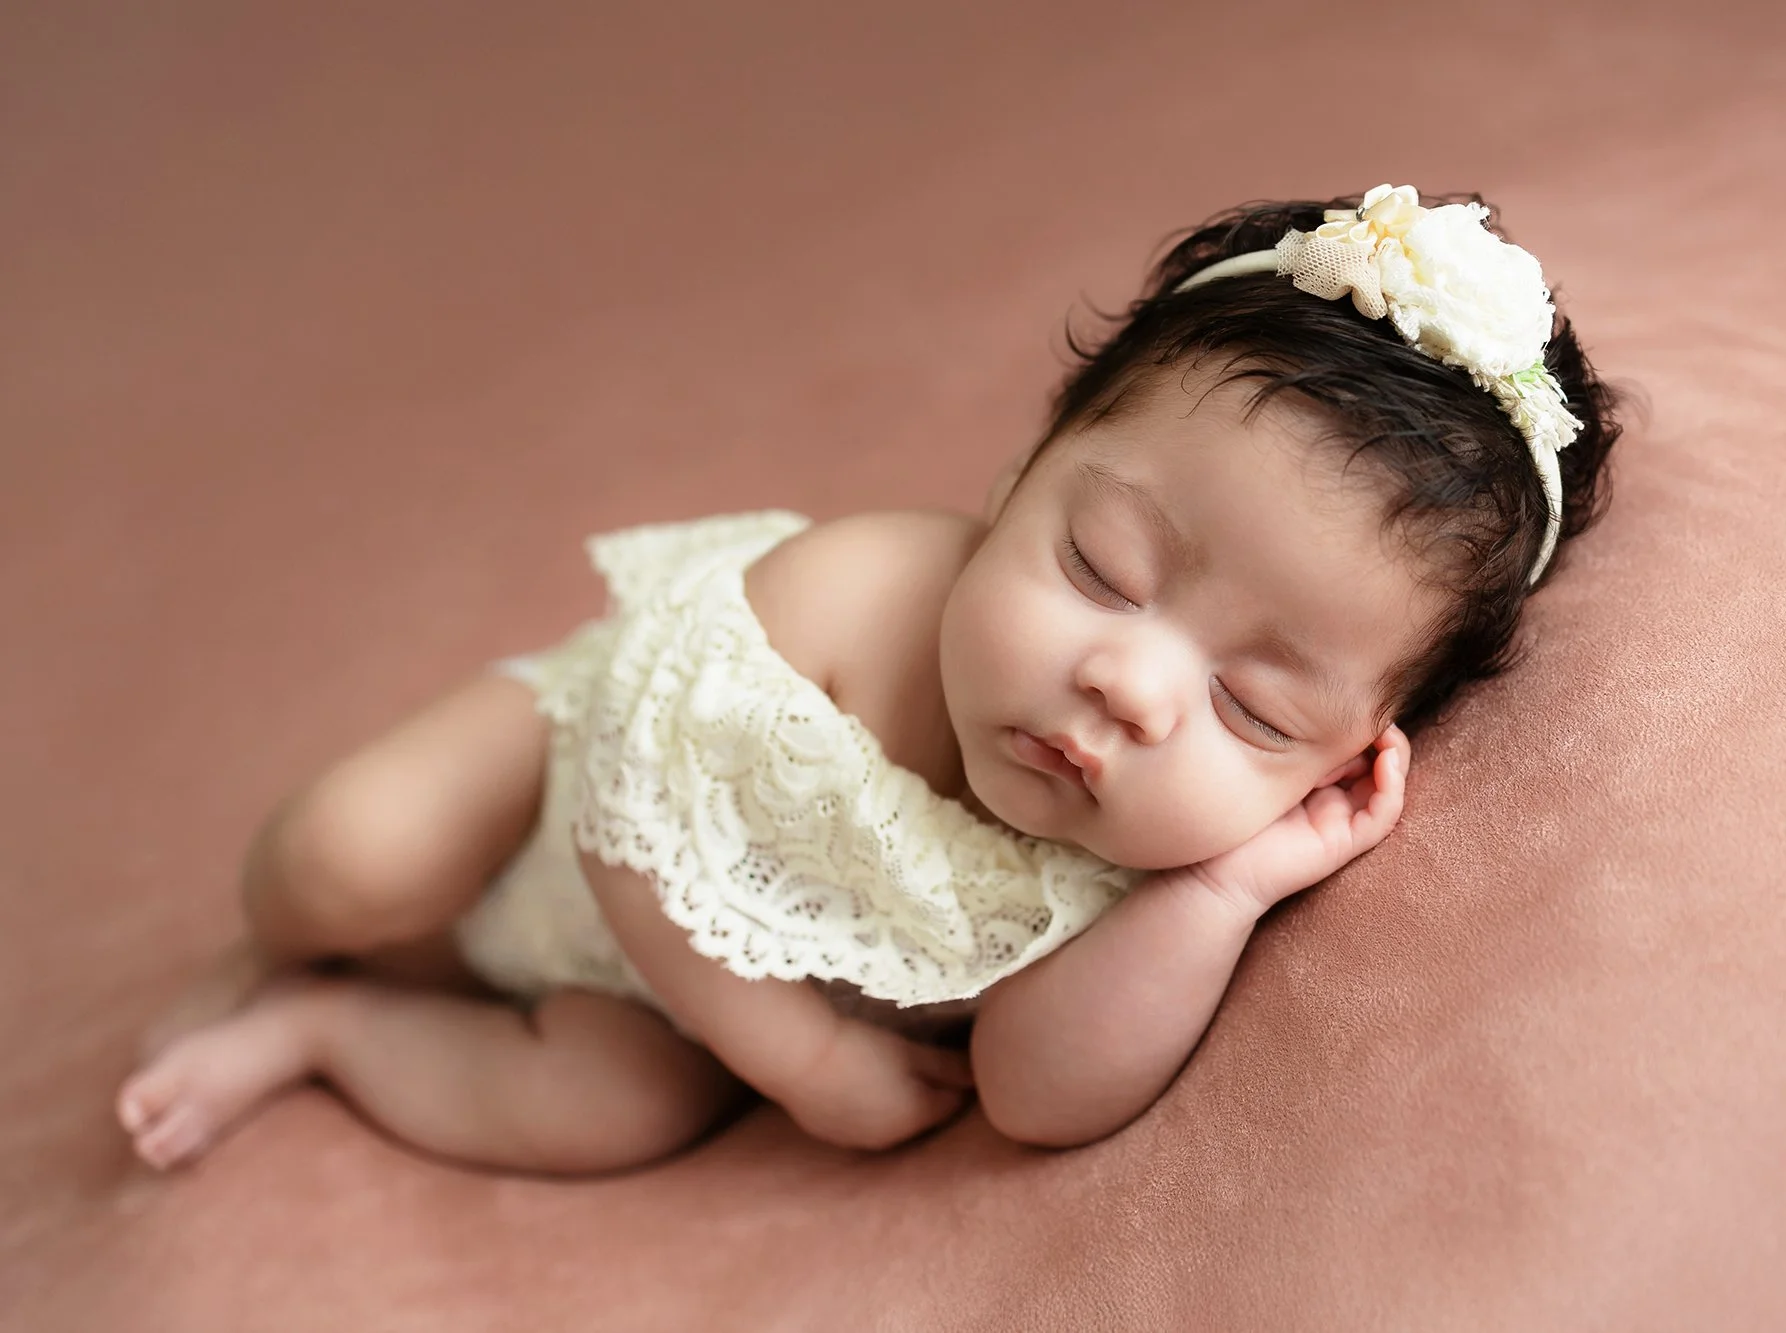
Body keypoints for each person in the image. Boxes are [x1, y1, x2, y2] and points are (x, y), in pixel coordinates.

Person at [116, 185, 1622, 1174]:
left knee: (616, 1114)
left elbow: (1039, 1094)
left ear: (1353, 754)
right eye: (1101, 564)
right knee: (349, 853)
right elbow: (630, 819)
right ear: (1023, 469)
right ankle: (286, 943)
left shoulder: (1154, 847)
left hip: (651, 1010)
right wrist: (801, 1053)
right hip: (574, 788)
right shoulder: (849, 594)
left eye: (1259, 710)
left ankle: (322, 1034)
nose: (1131, 690)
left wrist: (1219, 897)